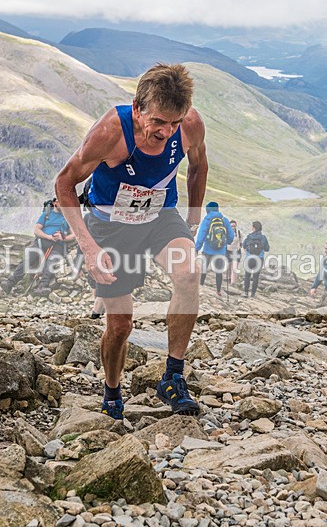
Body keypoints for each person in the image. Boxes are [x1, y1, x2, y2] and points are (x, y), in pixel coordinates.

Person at [54, 63, 208, 420]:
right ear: (138, 110)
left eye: (174, 122)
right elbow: (65, 183)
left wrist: (193, 218)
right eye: (158, 122)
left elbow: (199, 165)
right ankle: (111, 391)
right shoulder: (111, 131)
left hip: (159, 217)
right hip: (111, 227)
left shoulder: (189, 126)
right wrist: (89, 247)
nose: (167, 132)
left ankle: (172, 377)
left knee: (189, 273)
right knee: (121, 325)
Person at [1, 198, 75, 295]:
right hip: (41, 242)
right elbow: (37, 230)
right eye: (60, 201)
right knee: (29, 258)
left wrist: (63, 237)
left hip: (58, 245)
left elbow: (74, 235)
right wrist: (48, 236)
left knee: (52, 261)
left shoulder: (69, 217)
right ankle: (10, 283)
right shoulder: (46, 214)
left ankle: (42, 286)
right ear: (54, 203)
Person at [195, 201, 234, 297]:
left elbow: (201, 235)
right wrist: (227, 242)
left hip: (207, 250)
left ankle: (201, 286)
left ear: (208, 210)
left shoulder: (207, 220)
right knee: (219, 272)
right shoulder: (224, 220)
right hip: (220, 251)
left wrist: (197, 248)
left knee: (204, 269)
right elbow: (231, 235)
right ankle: (218, 291)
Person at [242, 221, 270, 298]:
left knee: (247, 276)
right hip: (259, 259)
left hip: (249, 258)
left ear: (254, 228)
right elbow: (267, 249)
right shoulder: (263, 238)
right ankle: (253, 294)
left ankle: (246, 293)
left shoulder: (249, 236)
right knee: (255, 277)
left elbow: (243, 245)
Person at [226, 220, 243, 285]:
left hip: (236, 251)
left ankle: (233, 282)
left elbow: (241, 242)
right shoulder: (227, 232)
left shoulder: (239, 233)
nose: (233, 227)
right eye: (231, 226)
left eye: (234, 226)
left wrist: (240, 247)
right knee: (228, 266)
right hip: (228, 251)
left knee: (235, 267)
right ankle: (228, 278)